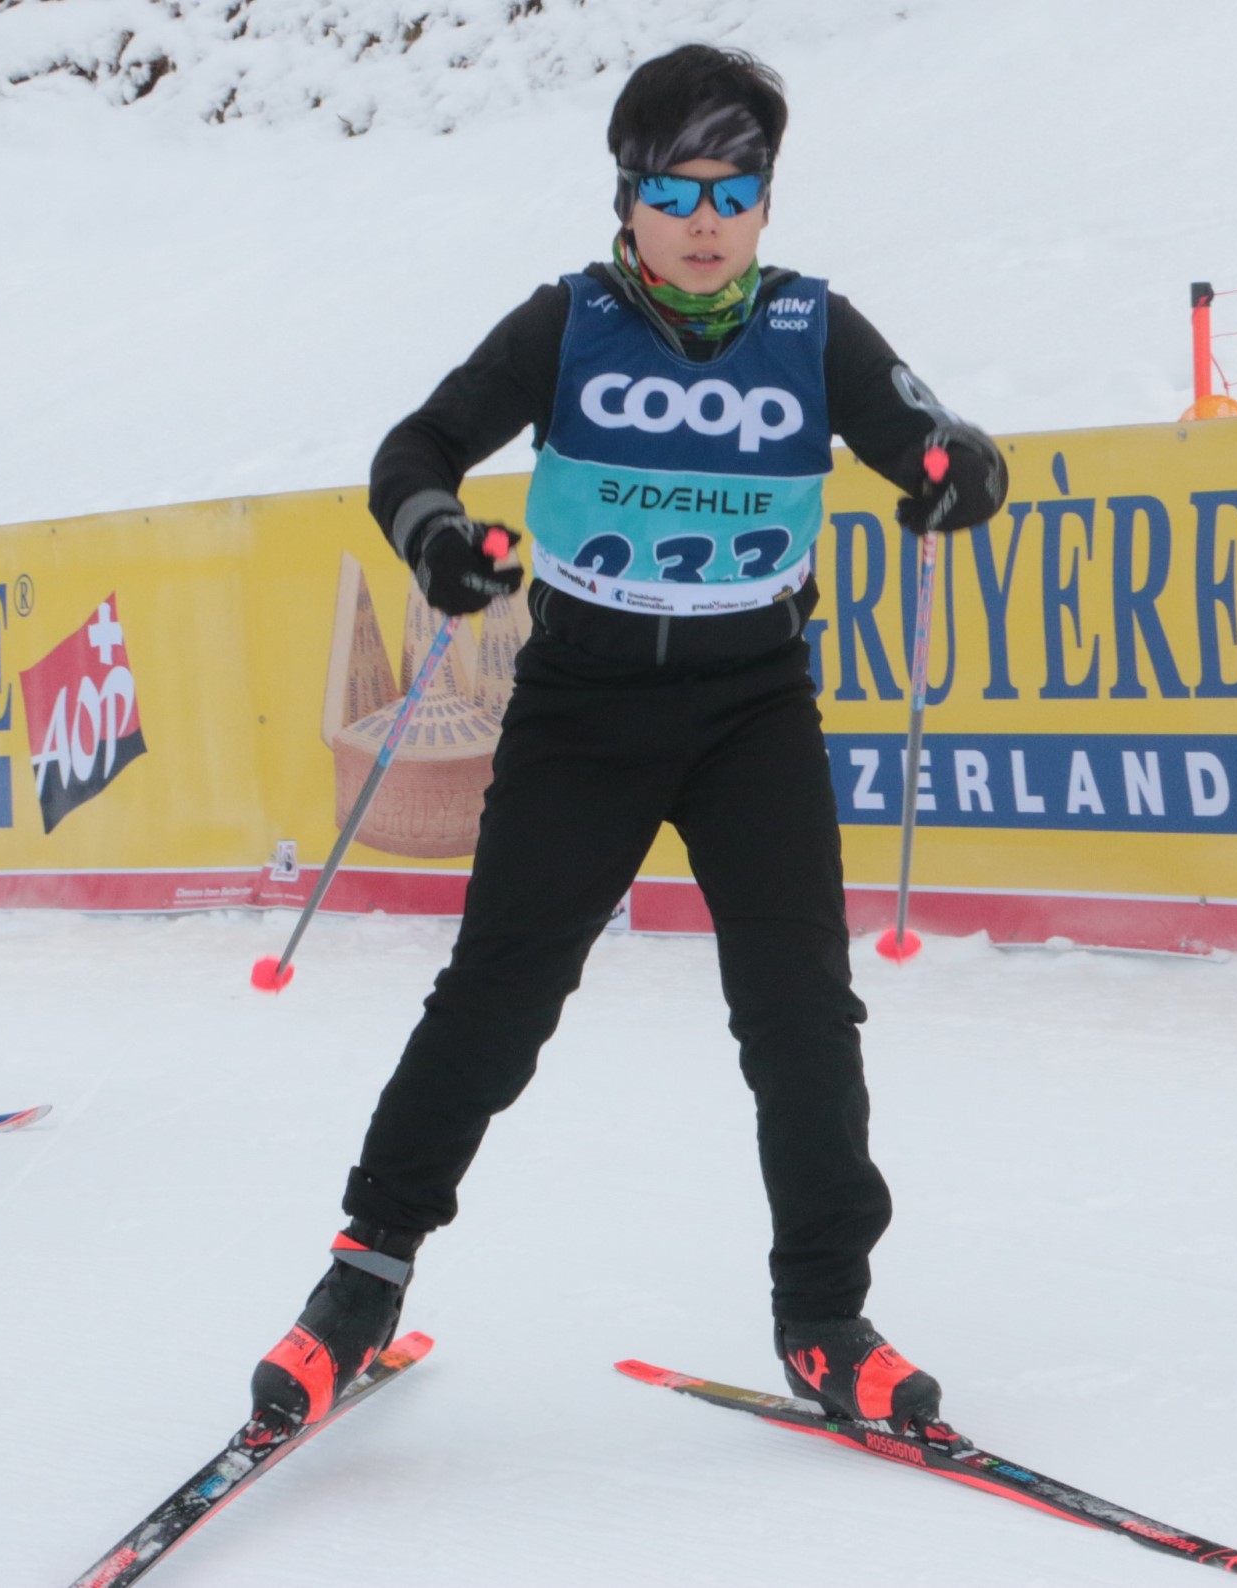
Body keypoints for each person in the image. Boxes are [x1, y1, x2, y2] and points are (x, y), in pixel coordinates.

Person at [249, 44, 1007, 1440]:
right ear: (627, 198)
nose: (704, 221)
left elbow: (943, 445)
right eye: (674, 191)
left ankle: (825, 1317)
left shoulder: (811, 328)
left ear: (765, 202)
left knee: (800, 1012)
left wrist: (957, 473)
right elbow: (412, 452)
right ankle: (361, 1281)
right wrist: (439, 540)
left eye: (733, 191)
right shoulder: (570, 322)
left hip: (750, 707)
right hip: (585, 707)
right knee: (497, 998)